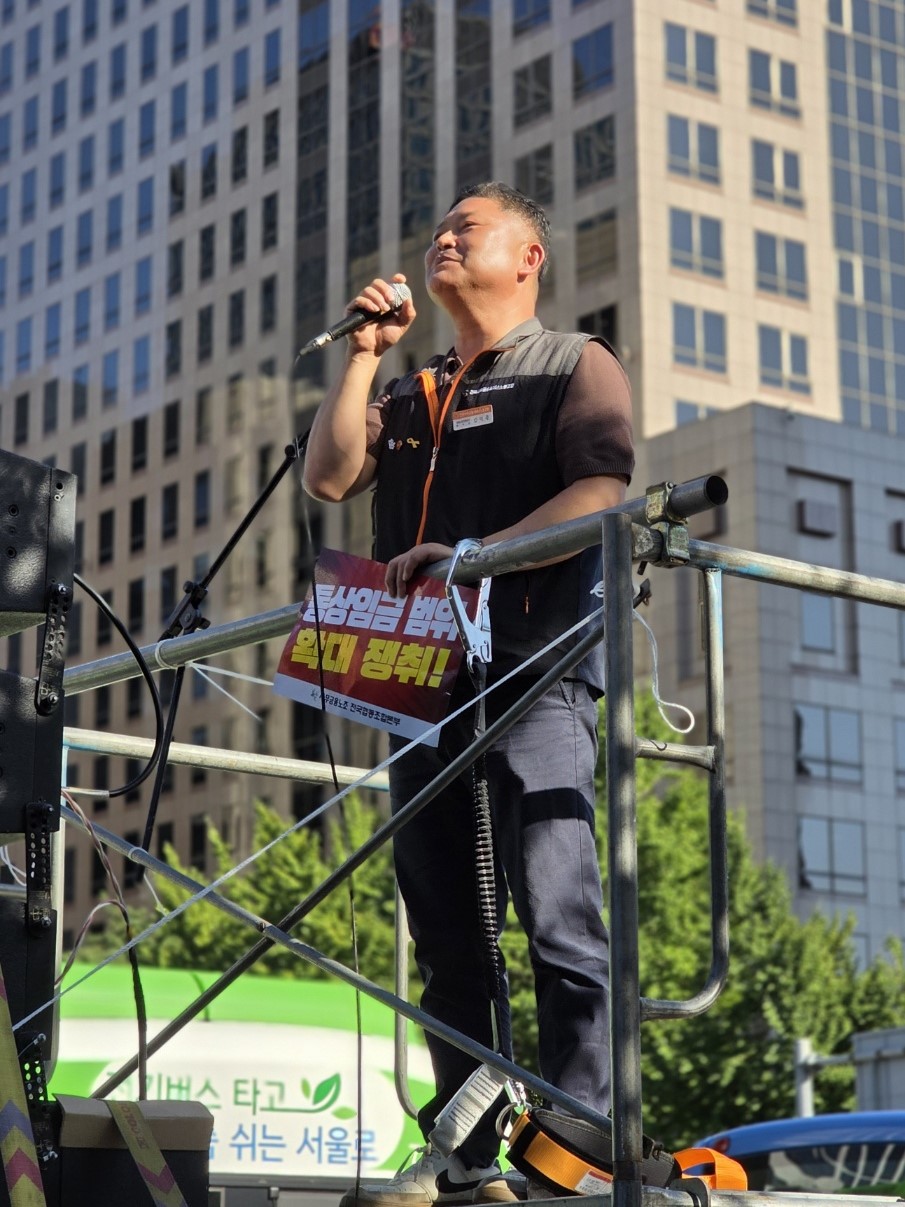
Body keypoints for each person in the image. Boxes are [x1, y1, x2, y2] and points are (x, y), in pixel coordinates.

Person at [303, 182, 634, 1207]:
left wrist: (477, 555)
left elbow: (601, 487)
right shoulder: (412, 390)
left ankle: (573, 1154)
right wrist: (364, 355)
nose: (443, 240)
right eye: (439, 230)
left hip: (534, 671)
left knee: (557, 915)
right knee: (445, 929)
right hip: (418, 683)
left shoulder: (572, 362)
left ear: (528, 257)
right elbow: (328, 476)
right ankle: (465, 1152)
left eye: (468, 228)